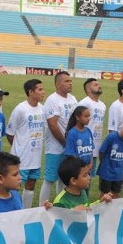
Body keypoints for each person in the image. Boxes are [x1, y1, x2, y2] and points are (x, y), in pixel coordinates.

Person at [39, 71, 78, 206]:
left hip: (69, 146)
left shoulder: (73, 99)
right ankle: (41, 208)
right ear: (58, 84)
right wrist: (65, 142)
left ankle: (60, 206)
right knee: (50, 179)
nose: (70, 83)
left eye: (70, 81)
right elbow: (52, 125)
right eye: (66, 81)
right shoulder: (52, 100)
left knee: (64, 178)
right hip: (55, 147)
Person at [6, 79, 46, 208]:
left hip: (36, 157)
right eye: (40, 89)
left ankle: (26, 211)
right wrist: (19, 147)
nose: (43, 92)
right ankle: (12, 210)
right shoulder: (20, 109)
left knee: (31, 184)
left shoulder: (42, 109)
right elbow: (10, 133)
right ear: (31, 92)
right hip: (21, 157)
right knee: (15, 185)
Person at [77, 78, 107, 175]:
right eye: (95, 85)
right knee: (81, 174)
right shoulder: (84, 103)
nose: (99, 86)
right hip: (84, 147)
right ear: (88, 89)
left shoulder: (103, 105)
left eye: (99, 84)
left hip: (95, 145)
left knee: (89, 175)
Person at [64, 105, 95, 169]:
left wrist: (91, 163)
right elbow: (70, 155)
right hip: (78, 169)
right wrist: (80, 167)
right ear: (77, 117)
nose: (88, 118)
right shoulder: (72, 133)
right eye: (86, 116)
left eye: (89, 116)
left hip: (88, 168)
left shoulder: (88, 131)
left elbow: (91, 150)